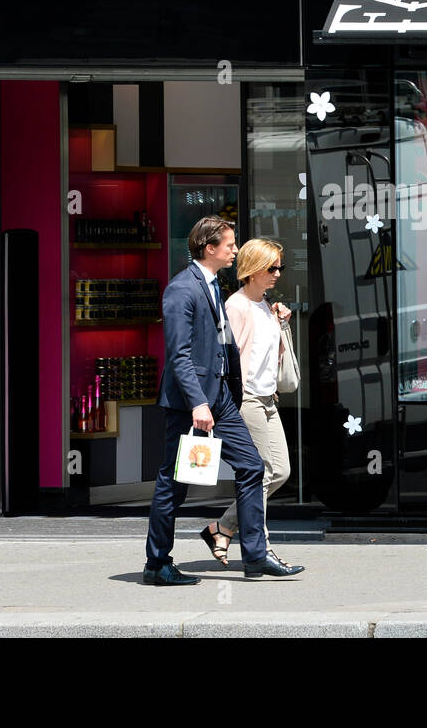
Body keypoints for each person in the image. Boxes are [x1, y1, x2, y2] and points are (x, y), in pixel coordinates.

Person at [142, 217, 303, 584]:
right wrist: (199, 403)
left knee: (252, 466)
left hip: (222, 399)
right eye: (229, 244)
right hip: (191, 404)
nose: (235, 249)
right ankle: (157, 564)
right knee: (174, 482)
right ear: (209, 248)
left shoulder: (213, 285)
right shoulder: (182, 289)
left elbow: (223, 345)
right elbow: (180, 354)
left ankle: (255, 556)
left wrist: (230, 393)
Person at [201, 239, 303, 569]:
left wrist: (282, 321)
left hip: (266, 397)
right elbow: (228, 358)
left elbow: (267, 353)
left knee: (281, 471)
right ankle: (262, 550)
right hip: (245, 399)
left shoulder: (265, 305)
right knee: (261, 472)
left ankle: (223, 527)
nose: (277, 274)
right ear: (252, 269)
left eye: (279, 267)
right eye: (270, 268)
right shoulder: (237, 307)